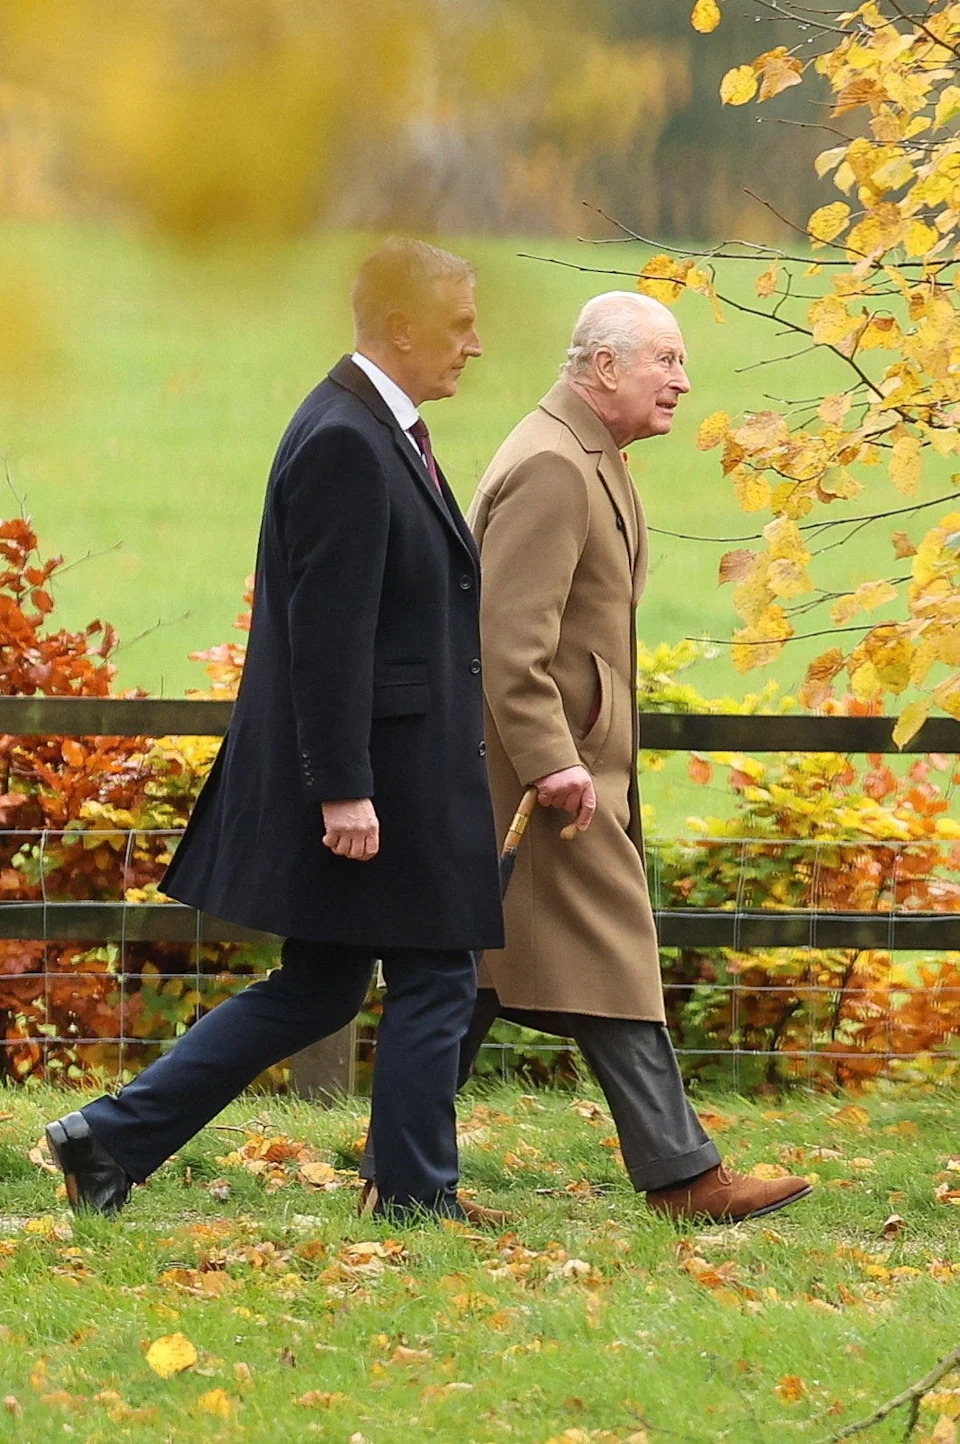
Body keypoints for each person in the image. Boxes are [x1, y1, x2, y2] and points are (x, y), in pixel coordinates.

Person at [45, 237, 504, 1221]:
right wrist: (344, 786)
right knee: (437, 970)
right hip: (373, 782)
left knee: (324, 987)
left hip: (388, 772)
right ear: (402, 329)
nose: (477, 345)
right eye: (461, 327)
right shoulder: (346, 439)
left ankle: (105, 1138)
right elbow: (326, 633)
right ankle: (416, 1197)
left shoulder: (376, 428)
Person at [362, 291, 812, 1224]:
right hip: (547, 782)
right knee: (601, 954)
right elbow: (506, 639)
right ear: (604, 367)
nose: (684, 381)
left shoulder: (581, 452)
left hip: (560, 770)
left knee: (477, 975)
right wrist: (551, 760)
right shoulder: (556, 468)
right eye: (667, 361)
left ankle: (399, 1175)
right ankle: (682, 1175)